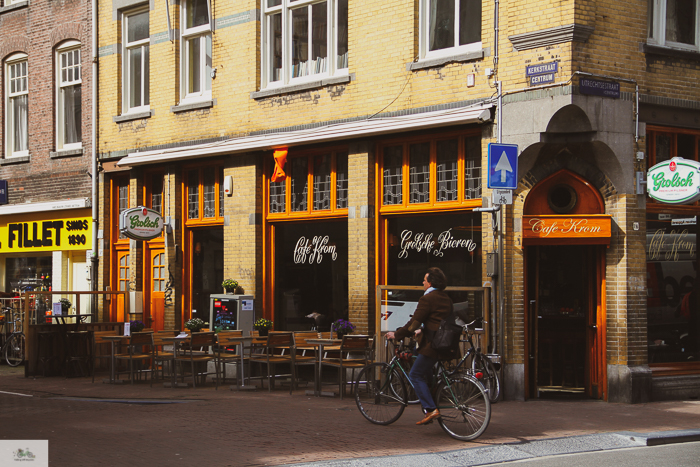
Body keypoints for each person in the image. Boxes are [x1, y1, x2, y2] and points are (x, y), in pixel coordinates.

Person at [386, 267, 453, 425]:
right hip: (445, 343)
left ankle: (430, 408)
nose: (422, 282)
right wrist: (421, 330)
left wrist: (397, 334)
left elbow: (414, 322)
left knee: (415, 374)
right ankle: (429, 400)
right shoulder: (446, 298)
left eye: (424, 279)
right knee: (424, 367)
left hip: (432, 344)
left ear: (430, 283)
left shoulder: (427, 299)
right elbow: (439, 321)